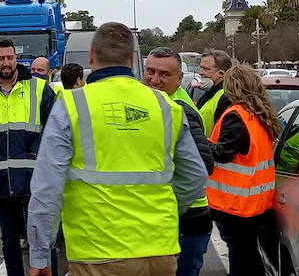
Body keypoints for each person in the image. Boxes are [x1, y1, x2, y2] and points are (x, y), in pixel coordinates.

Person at [26, 23, 207, 276]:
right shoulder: (165, 105)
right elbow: (195, 177)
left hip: (96, 252)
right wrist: (164, 214)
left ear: (91, 57)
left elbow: (47, 188)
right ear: (133, 59)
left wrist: (39, 253)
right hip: (159, 251)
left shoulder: (72, 104)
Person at [0, 38, 58, 276]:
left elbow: (54, 123)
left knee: (42, 239)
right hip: (0, 177)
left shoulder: (38, 88)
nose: (6, 63)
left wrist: (36, 150)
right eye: (1, 58)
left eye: (10, 57)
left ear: (16, 58)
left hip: (35, 178)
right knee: (9, 239)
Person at [143, 48, 215, 276]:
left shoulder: (181, 109)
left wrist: (168, 208)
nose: (155, 80)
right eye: (150, 71)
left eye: (165, 74)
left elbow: (203, 165)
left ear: (180, 78)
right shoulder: (154, 103)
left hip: (186, 220)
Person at [207, 64, 280, 276]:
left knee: (240, 251)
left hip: (235, 202)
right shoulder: (259, 114)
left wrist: (203, 142)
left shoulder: (236, 116)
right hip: (254, 199)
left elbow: (223, 152)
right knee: (247, 252)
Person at [195, 49, 234, 133]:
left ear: (221, 73)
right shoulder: (210, 92)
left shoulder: (226, 97)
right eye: (200, 68)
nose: (200, 72)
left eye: (206, 69)